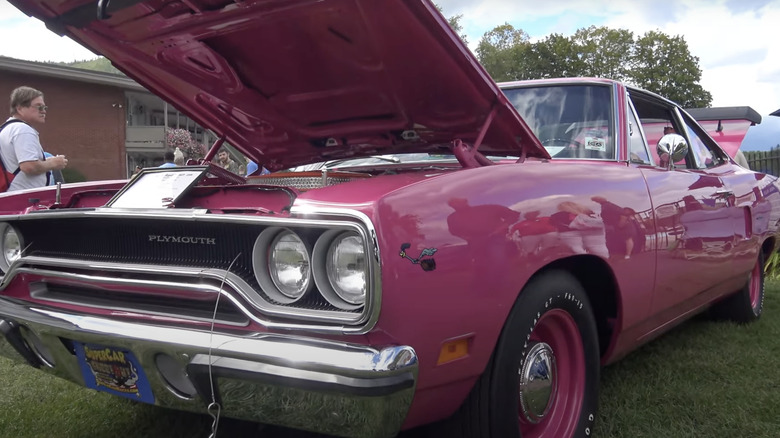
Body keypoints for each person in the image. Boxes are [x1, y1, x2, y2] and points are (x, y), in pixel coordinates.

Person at [0, 86, 68, 191]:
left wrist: (45, 161)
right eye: (38, 107)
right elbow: (29, 166)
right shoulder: (23, 130)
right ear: (20, 108)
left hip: (11, 196)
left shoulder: (7, 128)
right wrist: (54, 163)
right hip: (24, 199)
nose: (43, 111)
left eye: (45, 108)